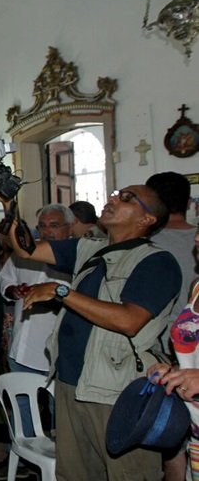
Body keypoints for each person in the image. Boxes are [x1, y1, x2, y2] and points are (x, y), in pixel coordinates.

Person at [0, 186, 181, 480]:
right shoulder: (90, 247)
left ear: (147, 219)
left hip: (116, 390)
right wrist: (10, 206)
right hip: (71, 382)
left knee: (125, 473)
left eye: (126, 199)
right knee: (75, 472)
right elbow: (27, 248)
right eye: (116, 194)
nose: (113, 199)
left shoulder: (156, 262)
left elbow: (129, 320)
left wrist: (61, 292)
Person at [0, 204, 74, 481]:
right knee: (22, 410)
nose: (47, 230)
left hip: (58, 353)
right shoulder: (27, 251)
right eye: (43, 225)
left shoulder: (76, 255)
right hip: (22, 346)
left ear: (69, 228)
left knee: (59, 413)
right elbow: (6, 277)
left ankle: (63, 464)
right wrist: (11, 290)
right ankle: (22, 456)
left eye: (54, 225)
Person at [147, 171, 196, 481]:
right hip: (181, 362)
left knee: (172, 446)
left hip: (166, 352)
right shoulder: (196, 239)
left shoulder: (147, 244)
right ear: (189, 201)